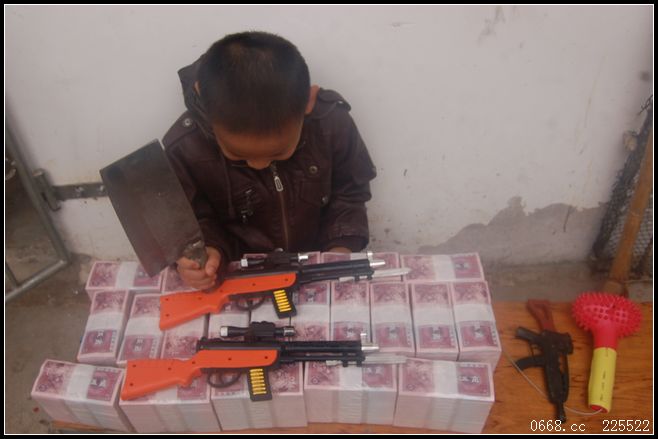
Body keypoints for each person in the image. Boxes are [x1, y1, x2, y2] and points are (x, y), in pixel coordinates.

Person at [163, 31, 377, 289]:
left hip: (314, 270)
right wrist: (207, 252)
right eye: (239, 156)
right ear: (208, 111)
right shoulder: (185, 148)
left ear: (308, 102)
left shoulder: (332, 124)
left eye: (277, 153)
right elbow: (193, 220)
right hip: (237, 276)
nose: (259, 165)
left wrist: (340, 249)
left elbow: (349, 193)